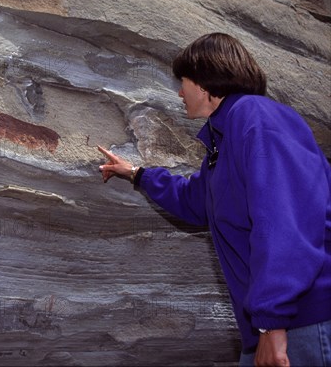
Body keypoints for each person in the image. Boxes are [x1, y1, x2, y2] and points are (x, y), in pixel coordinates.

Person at [98, 33, 331, 366]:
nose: (180, 92)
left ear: (205, 83)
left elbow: (285, 218)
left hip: (301, 322)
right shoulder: (223, 139)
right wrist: (135, 173)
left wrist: (273, 322)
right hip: (267, 326)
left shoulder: (257, 118)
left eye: (184, 82)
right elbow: (195, 202)